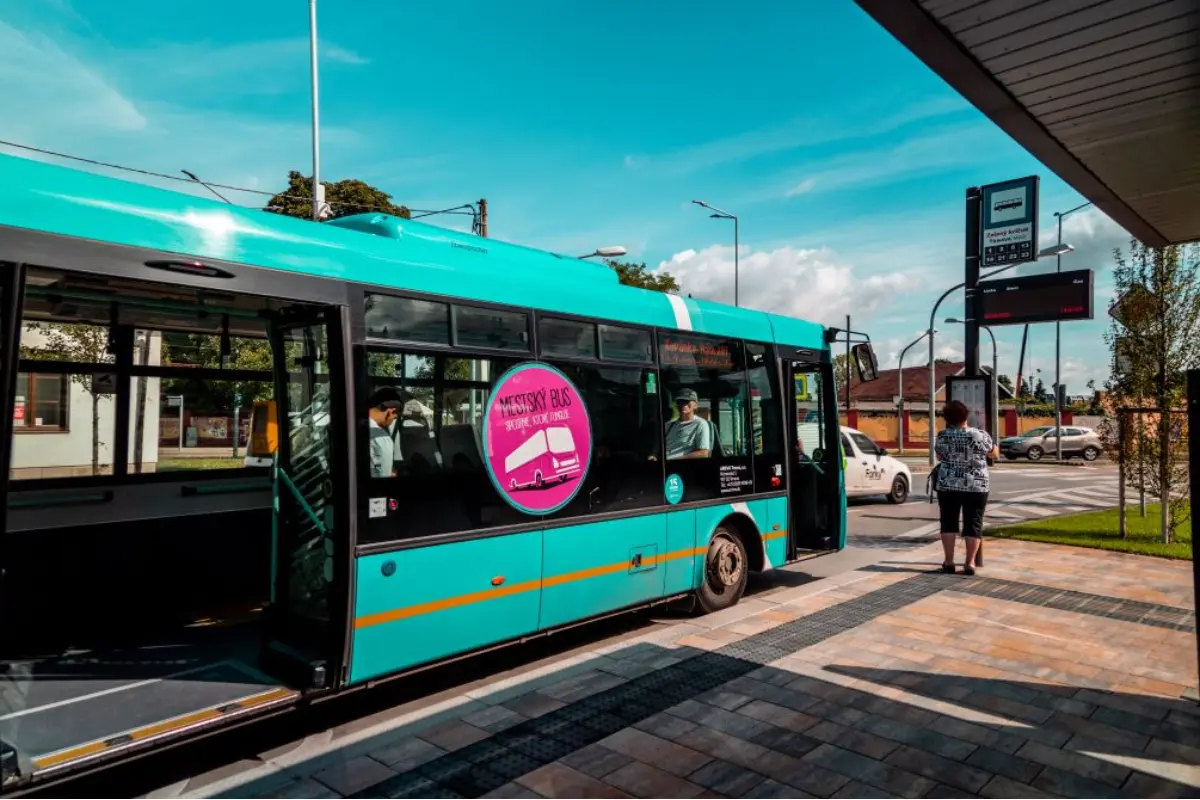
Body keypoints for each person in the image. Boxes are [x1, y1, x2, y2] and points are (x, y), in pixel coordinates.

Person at [934, 399, 998, 575]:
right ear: (966, 416)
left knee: (948, 522)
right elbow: (994, 453)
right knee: (973, 523)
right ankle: (970, 563)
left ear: (946, 418)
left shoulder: (943, 436)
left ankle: (948, 562)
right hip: (977, 485)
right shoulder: (980, 435)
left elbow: (939, 457)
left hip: (948, 484)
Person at [367, 387, 406, 478]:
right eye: (394, 418)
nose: (392, 422)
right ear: (390, 412)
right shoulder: (382, 438)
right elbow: (383, 476)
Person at [665, 388, 712, 460]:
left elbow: (703, 453)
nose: (683, 404)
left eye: (686, 401)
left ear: (695, 405)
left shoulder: (700, 424)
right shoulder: (668, 425)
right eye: (680, 401)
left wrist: (676, 460)